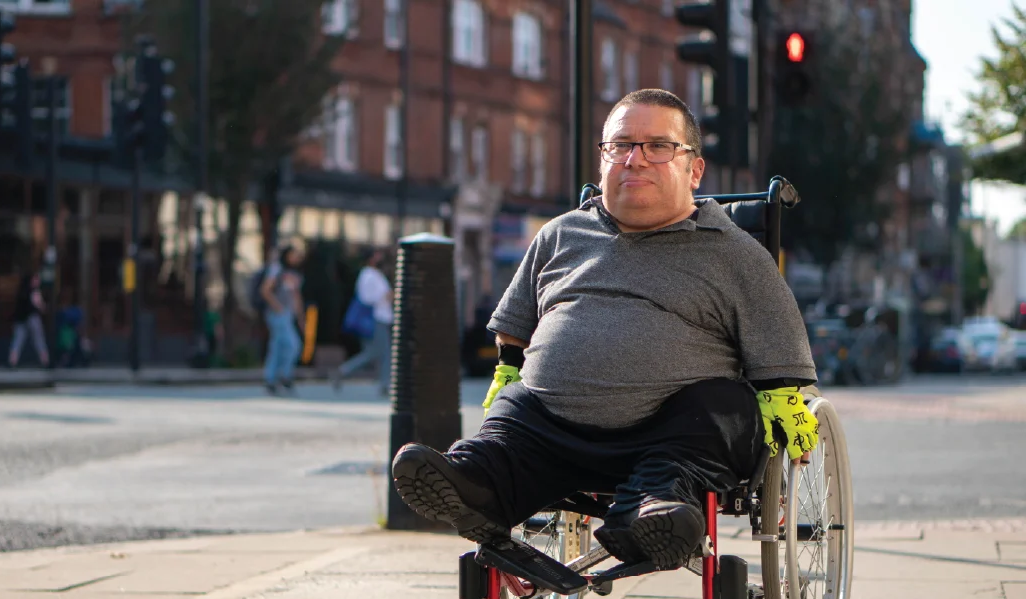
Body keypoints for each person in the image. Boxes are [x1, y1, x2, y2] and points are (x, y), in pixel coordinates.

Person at [391, 89, 819, 570]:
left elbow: (779, 349)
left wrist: (784, 402)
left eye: (658, 146)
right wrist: (509, 372)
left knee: (722, 403)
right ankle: (471, 482)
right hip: (550, 434)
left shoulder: (735, 251)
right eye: (620, 145)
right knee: (512, 413)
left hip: (671, 440)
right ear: (603, 161)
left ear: (694, 170)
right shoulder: (560, 234)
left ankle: (649, 516)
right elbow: (514, 330)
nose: (635, 160)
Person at [332, 248, 394, 395]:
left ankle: (384, 384)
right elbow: (366, 297)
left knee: (382, 353)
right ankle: (344, 371)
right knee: (377, 352)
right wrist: (386, 296)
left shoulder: (376, 274)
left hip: (382, 318)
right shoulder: (368, 275)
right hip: (375, 319)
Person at [260, 245, 304, 395]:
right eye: (294, 254)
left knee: (278, 347)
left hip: (289, 315)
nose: (297, 258)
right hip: (278, 315)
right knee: (292, 345)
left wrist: (300, 317)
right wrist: (278, 307)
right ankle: (283, 376)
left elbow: (296, 296)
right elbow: (265, 290)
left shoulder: (294, 273)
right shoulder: (277, 269)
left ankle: (272, 379)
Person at [8, 273, 50, 369]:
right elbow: (39, 305)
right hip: (32, 318)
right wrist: (45, 308)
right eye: (36, 279)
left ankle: (12, 360)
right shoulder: (34, 292)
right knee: (39, 339)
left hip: (20, 319)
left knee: (18, 340)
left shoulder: (21, 291)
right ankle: (45, 360)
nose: (38, 281)